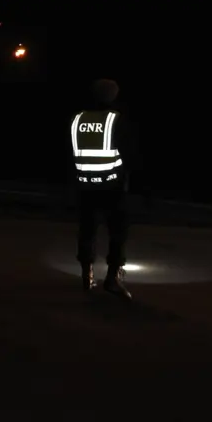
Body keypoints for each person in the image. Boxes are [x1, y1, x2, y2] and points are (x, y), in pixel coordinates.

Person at [70, 78, 137, 300]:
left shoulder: (77, 119)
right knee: (118, 232)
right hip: (112, 186)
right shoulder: (115, 119)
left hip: (84, 185)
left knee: (87, 229)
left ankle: (86, 275)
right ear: (113, 96)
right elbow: (128, 152)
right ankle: (112, 278)